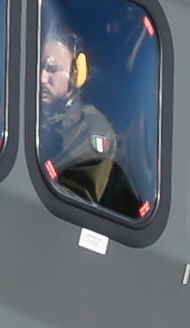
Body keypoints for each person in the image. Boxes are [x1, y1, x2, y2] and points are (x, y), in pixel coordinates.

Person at [39, 29, 141, 217]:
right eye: (39, 67)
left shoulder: (90, 127)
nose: (42, 78)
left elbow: (74, 199)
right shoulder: (35, 114)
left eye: (52, 69)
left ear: (77, 74)